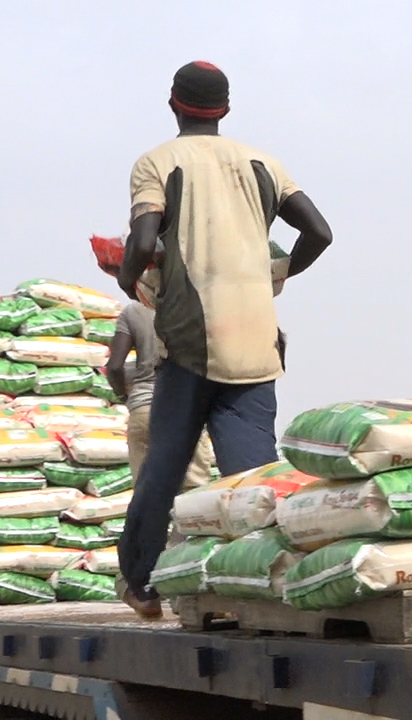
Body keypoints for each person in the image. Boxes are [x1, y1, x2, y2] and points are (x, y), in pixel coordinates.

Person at [115, 61, 333, 618]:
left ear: (173, 104)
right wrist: (277, 277)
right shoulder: (263, 162)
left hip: (191, 338)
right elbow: (319, 232)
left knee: (164, 465)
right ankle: (263, 583)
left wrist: (126, 276)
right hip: (258, 339)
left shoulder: (158, 162)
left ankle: (141, 583)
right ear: (226, 110)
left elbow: (142, 239)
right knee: (255, 475)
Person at [106, 302, 216, 489]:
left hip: (143, 408)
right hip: (184, 409)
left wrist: (125, 396)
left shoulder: (134, 311)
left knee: (146, 491)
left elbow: (115, 366)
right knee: (193, 490)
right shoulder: (198, 306)